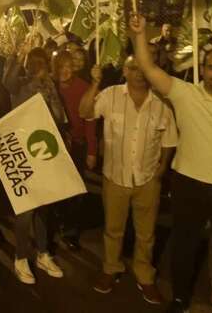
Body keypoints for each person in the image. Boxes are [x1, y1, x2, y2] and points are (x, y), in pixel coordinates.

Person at [131, 14, 212, 313]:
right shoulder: (185, 94)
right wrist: (140, 34)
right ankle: (180, 300)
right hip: (189, 183)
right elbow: (147, 67)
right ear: (203, 69)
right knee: (184, 248)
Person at [79, 56, 177, 305]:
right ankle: (111, 268)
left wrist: (162, 168)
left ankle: (144, 275)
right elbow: (85, 112)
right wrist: (94, 83)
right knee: (113, 229)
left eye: (143, 68)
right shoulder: (110, 95)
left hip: (148, 179)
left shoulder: (162, 103)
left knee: (146, 233)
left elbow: (168, 140)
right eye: (133, 68)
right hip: (115, 176)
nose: (138, 73)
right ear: (124, 70)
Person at [6, 47, 65, 285]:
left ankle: (42, 253)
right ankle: (20, 257)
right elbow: (7, 82)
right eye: (34, 63)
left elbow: (59, 117)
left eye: (41, 64)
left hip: (44, 151)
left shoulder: (50, 86)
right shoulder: (19, 84)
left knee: (44, 206)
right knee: (25, 209)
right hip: (23, 151)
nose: (38, 68)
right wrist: (17, 57)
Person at [52, 50, 97, 251]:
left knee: (75, 189)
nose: (64, 71)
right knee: (56, 187)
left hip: (76, 146)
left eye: (68, 67)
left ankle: (70, 229)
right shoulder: (49, 86)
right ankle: (56, 222)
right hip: (55, 146)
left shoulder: (83, 87)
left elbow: (90, 121)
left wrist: (92, 150)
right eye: (60, 67)